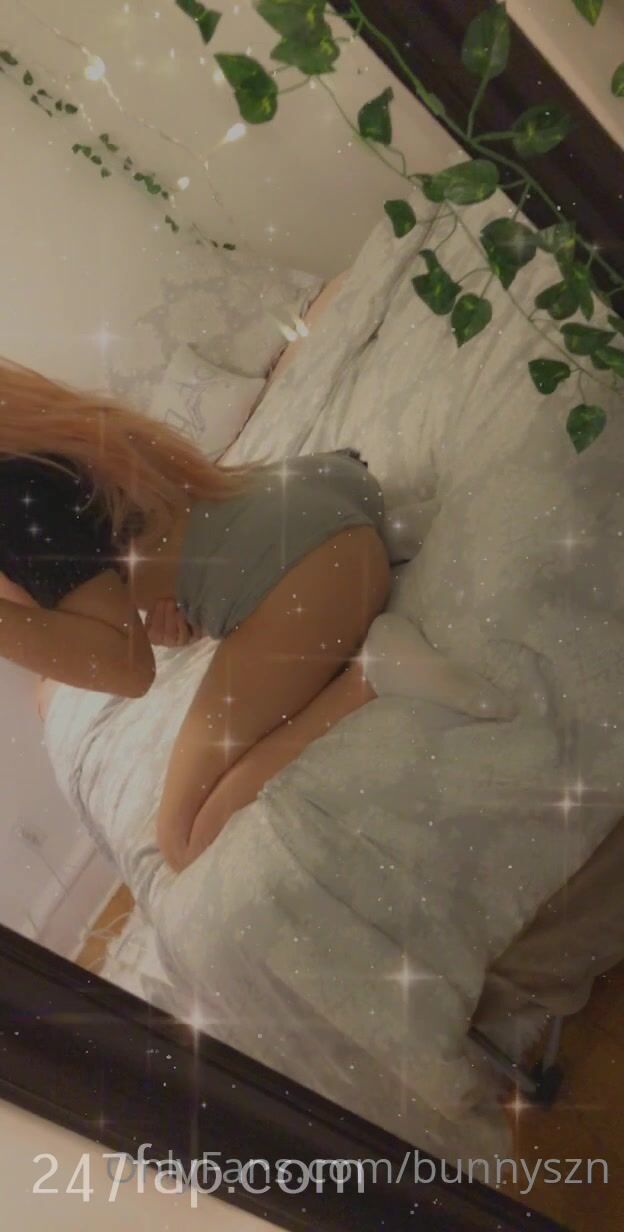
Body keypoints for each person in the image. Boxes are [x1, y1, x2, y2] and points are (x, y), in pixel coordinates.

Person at [0, 356, 515, 873]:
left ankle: (372, 674)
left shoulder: (8, 494)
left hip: (316, 564)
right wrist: (173, 620)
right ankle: (384, 541)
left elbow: (127, 670)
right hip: (317, 490)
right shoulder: (27, 425)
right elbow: (122, 574)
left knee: (182, 839)